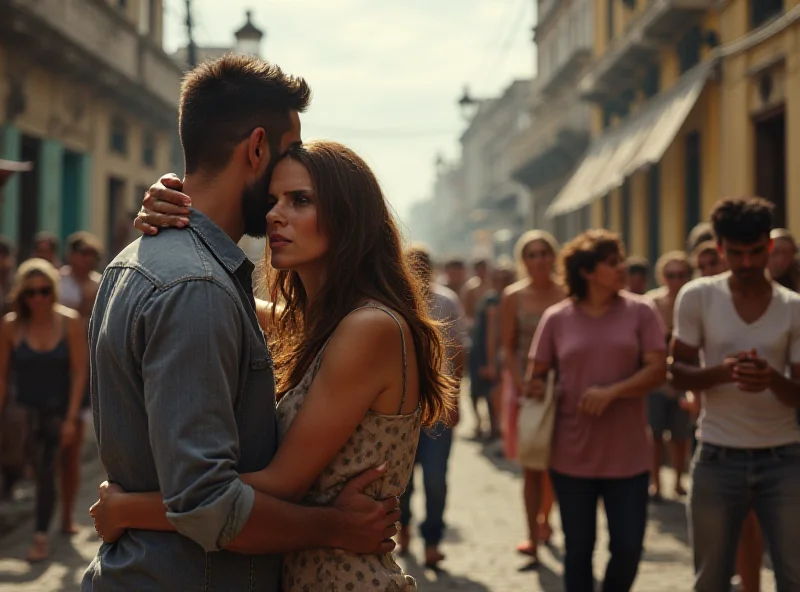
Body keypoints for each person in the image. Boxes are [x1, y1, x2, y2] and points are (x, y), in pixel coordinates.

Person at [82, 56, 414, 591]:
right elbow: (208, 503)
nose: (281, 206)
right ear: (257, 148)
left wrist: (128, 509)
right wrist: (334, 526)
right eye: (286, 159)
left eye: (301, 199)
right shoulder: (201, 286)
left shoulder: (153, 268)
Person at [671, 197, 800, 592]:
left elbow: (798, 394)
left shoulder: (792, 308)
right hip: (717, 454)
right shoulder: (698, 297)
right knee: (710, 580)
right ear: (721, 248)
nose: (746, 263)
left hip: (784, 457)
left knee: (794, 577)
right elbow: (676, 373)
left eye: (756, 252)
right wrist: (721, 372)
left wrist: (771, 380)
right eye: (737, 253)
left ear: (770, 247)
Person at [527, 229, 667, 592]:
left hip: (630, 455)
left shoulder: (641, 311)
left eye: (620, 260)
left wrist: (613, 392)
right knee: (578, 552)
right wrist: (538, 386)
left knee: (627, 548)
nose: (622, 268)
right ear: (587, 272)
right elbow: (536, 373)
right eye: (612, 262)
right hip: (571, 453)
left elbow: (658, 369)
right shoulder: (557, 318)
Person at [0, 258, 87, 562]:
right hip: (26, 414)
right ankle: (47, 529)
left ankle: (54, 526)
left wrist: (72, 417)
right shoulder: (11, 325)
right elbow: (2, 375)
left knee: (66, 466)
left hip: (62, 408)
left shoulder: (69, 321)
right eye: (31, 293)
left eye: (44, 291)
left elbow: (79, 372)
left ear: (54, 290)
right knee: (42, 471)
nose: (38, 298)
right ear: (21, 295)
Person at [398, 246, 464, 570]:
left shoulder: (447, 300)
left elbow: (458, 353)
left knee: (436, 479)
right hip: (400, 409)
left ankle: (433, 540)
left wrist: (456, 399)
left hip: (438, 407)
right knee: (403, 480)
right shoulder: (394, 299)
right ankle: (404, 525)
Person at [500, 230, 564, 561]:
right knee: (531, 467)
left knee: (556, 465)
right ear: (523, 261)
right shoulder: (514, 296)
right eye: (531, 254)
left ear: (554, 256)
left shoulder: (567, 293)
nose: (539, 260)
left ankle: (545, 520)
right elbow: (507, 346)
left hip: (563, 389)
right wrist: (522, 384)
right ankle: (532, 538)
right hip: (527, 392)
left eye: (543, 253)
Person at [57, 231, 103, 535]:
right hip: (51, 370)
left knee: (71, 448)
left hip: (83, 371)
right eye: (81, 252)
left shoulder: (100, 284)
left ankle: (66, 515)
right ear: (71, 254)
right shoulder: (55, 283)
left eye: (91, 254)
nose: (86, 259)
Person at [646, 251, 693, 500]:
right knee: (654, 434)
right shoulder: (651, 303)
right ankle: (654, 481)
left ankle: (677, 480)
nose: (676, 280)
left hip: (686, 378)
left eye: (681, 275)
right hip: (656, 379)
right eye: (671, 274)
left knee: (680, 434)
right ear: (662, 276)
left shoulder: (694, 302)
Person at [471, 261, 515, 441]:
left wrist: (491, 363)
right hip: (485, 354)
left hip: (492, 356)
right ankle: (495, 431)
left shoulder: (501, 299)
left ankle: (498, 433)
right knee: (489, 394)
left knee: (495, 394)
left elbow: (494, 334)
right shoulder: (493, 299)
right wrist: (489, 362)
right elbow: (490, 333)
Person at [461, 258, 491, 322]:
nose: (481, 271)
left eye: (483, 269)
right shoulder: (470, 287)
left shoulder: (492, 284)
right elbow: (466, 309)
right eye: (478, 269)